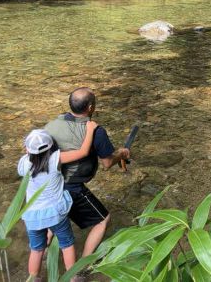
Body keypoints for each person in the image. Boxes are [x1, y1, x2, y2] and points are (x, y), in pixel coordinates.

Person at [44, 88, 130, 259]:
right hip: (71, 186)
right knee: (102, 220)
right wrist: (121, 153)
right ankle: (82, 267)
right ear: (90, 107)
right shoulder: (96, 131)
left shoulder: (52, 124)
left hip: (48, 184)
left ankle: (39, 261)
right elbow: (106, 163)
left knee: (53, 222)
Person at [18, 124, 97, 280]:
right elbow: (83, 152)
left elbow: (28, 161)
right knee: (66, 244)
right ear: (51, 147)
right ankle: (72, 277)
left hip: (32, 216)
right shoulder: (55, 159)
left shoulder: (23, 163)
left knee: (37, 249)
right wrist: (90, 130)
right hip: (55, 213)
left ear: (27, 150)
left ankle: (33, 278)